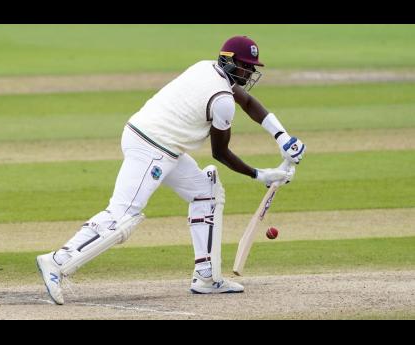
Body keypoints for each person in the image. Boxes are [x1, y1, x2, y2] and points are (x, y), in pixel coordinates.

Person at [36, 35, 305, 305]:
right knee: (124, 215)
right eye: (246, 66)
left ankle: (207, 277)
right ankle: (57, 262)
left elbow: (248, 103)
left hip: (157, 143)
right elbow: (219, 153)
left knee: (206, 193)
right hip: (151, 148)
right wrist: (259, 174)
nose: (251, 72)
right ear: (230, 62)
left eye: (253, 67)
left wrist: (283, 138)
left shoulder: (206, 67)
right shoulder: (221, 98)